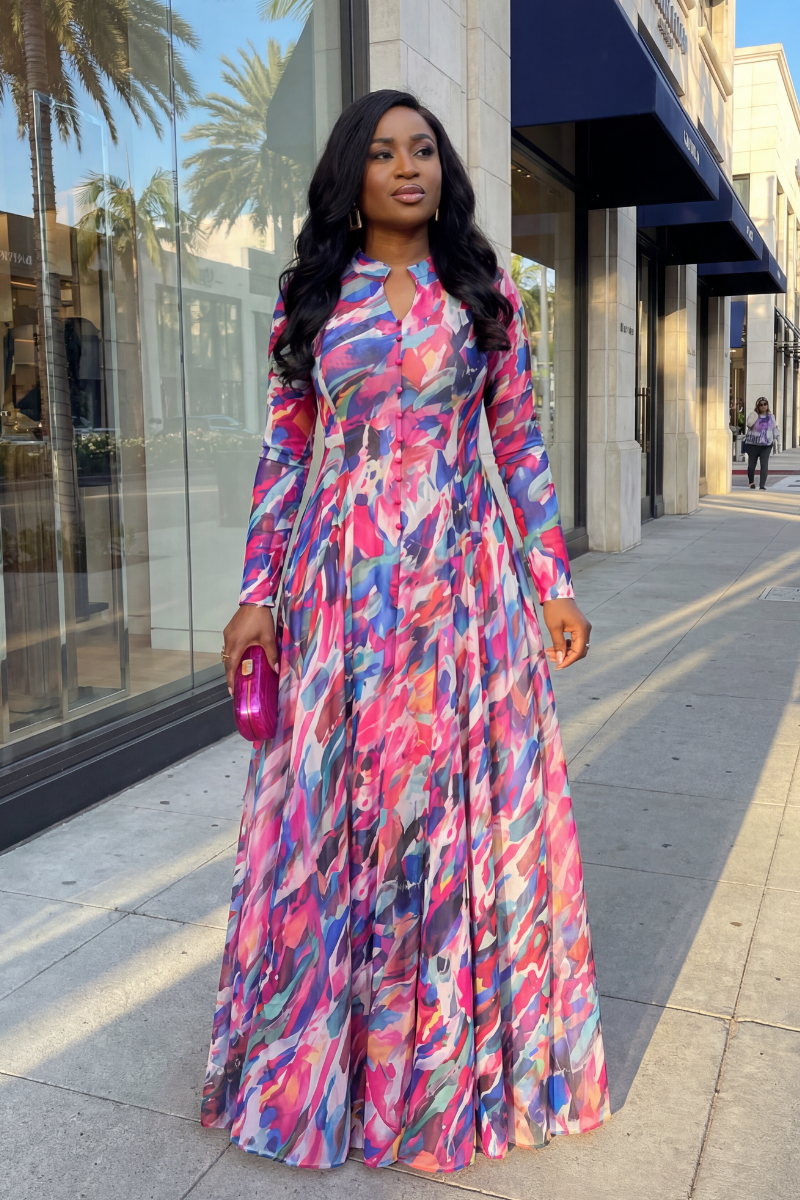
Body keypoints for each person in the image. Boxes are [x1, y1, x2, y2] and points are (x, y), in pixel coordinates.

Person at [202, 90, 610, 1173]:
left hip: (458, 596)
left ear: (442, 170)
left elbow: (518, 445)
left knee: (446, 821)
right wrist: (256, 590)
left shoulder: (480, 295)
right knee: (337, 822)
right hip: (338, 594)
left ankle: (439, 1073)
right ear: (353, 175)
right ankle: (322, 1067)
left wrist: (550, 582)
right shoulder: (315, 298)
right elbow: (285, 454)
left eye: (422, 149)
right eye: (381, 154)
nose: (405, 167)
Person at [744, 396, 779, 490]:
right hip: (752, 444)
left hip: (766, 445)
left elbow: (774, 428)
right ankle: (751, 482)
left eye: (765, 404)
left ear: (767, 405)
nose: (763, 406)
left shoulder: (771, 416)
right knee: (751, 464)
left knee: (764, 464)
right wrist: (755, 415)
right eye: (761, 405)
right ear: (758, 406)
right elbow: (748, 424)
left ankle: (762, 485)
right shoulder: (753, 414)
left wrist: (777, 440)